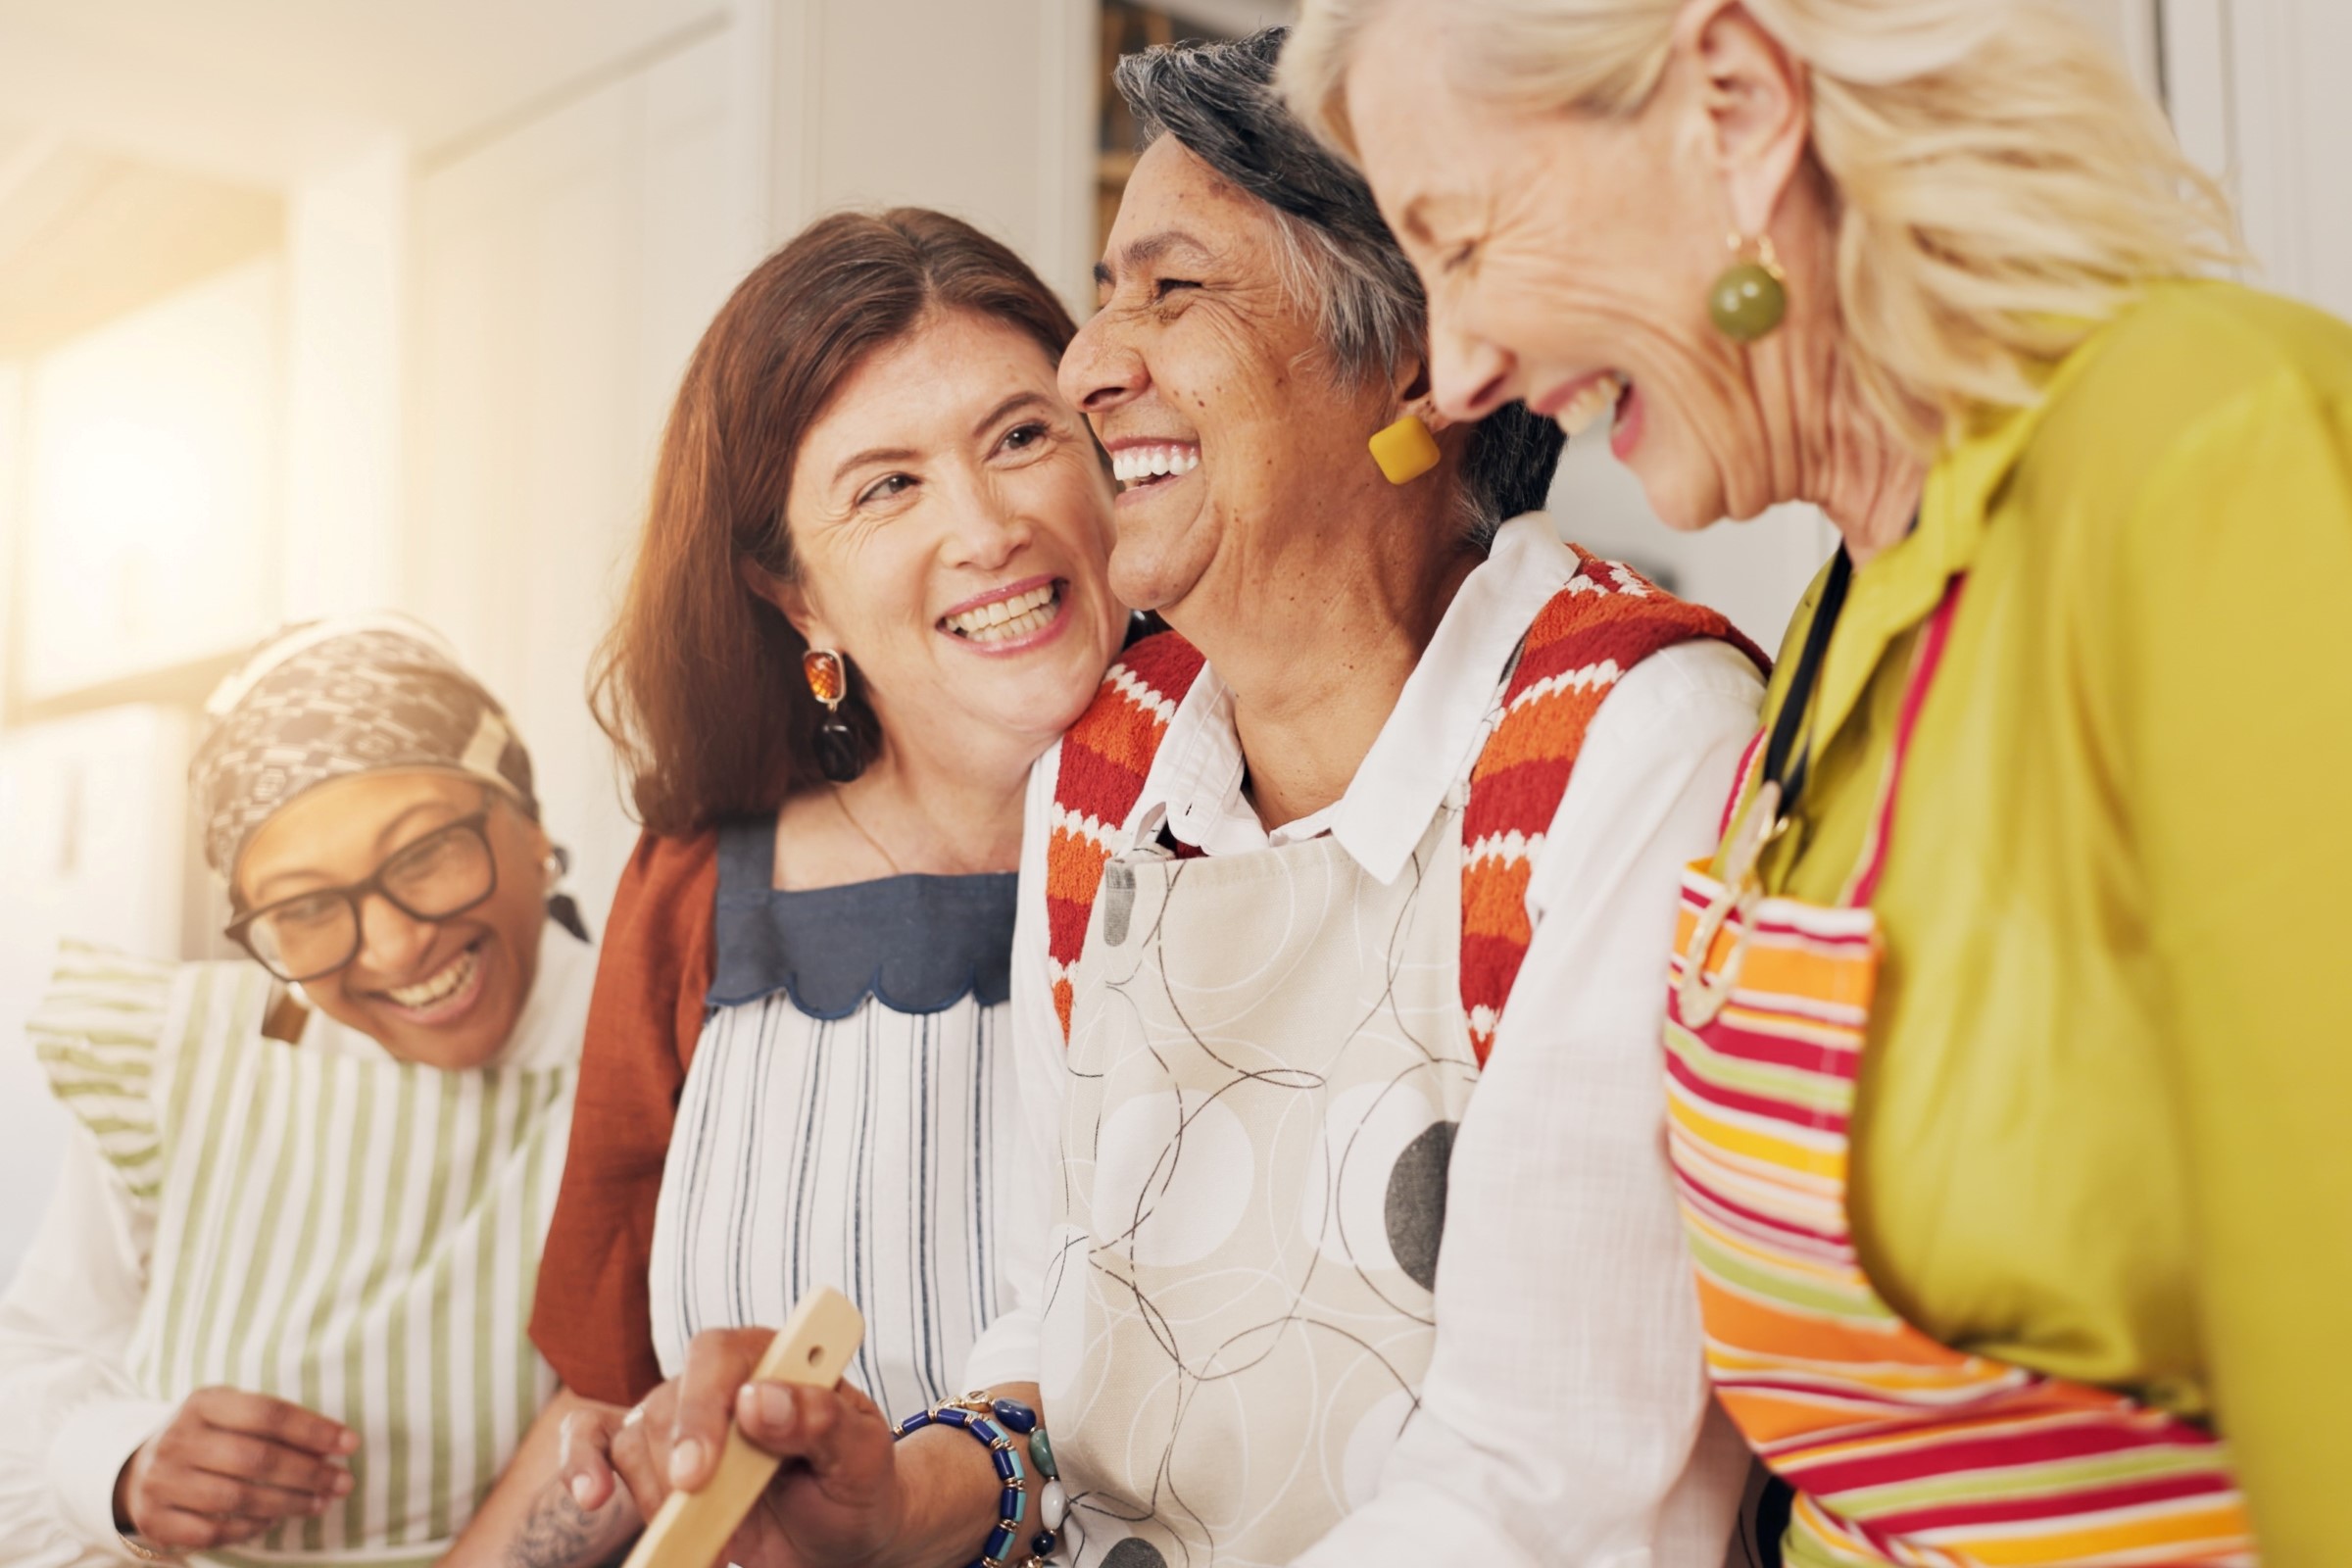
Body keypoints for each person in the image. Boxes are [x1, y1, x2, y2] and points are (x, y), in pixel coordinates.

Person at [596, 30, 1770, 1568]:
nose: (1089, 362)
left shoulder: (1631, 738)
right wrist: (907, 1500)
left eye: (1172, 290)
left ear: (1422, 353)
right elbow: (1061, 1331)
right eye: (1104, 293)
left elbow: (1562, 1489)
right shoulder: (1111, 765)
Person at [1283, 0, 2352, 1562]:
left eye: (1464, 240)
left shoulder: (2213, 457)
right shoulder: (1840, 621)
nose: (1456, 370)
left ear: (1733, 106)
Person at [452, 209, 1129, 1566]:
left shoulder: (1244, 827)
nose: (989, 527)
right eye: (886, 486)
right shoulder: (695, 886)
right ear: (794, 595)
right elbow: (602, 1399)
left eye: (1021, 436)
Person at [0, 613, 598, 1568]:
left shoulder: (655, 1060)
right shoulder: (183, 1062)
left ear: (529, 824)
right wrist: (121, 1467)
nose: (396, 946)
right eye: (308, 907)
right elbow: (29, 1370)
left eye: (426, 851)